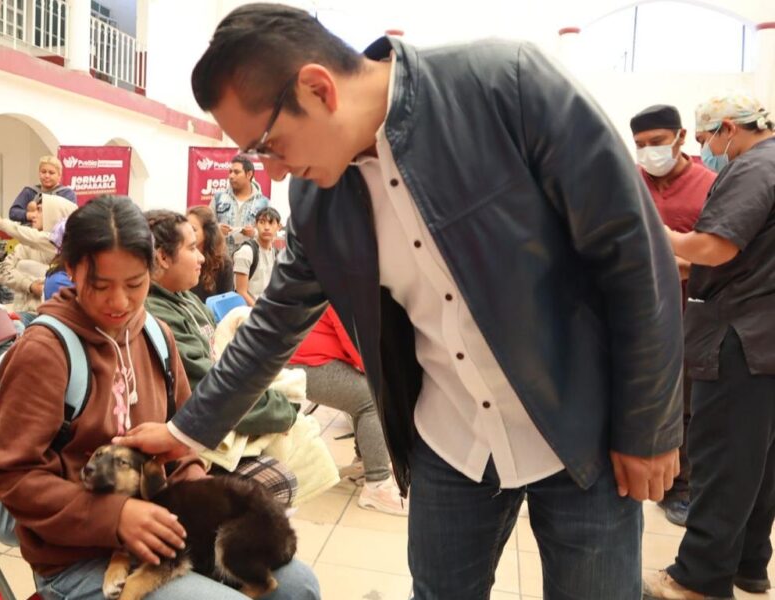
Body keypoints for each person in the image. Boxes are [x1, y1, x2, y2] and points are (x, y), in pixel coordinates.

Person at [113, 6, 684, 599]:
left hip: (581, 427)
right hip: (452, 439)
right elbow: (274, 323)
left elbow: (635, 256)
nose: (275, 172)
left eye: (270, 145)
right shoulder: (316, 199)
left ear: (318, 88)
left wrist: (649, 426)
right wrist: (186, 431)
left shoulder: (504, 87)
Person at [0, 196, 319, 600]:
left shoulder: (157, 336)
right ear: (70, 269)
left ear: (153, 268)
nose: (119, 302)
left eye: (134, 284)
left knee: (298, 587)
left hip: (167, 531)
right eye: (100, 285)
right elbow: (14, 477)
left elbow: (182, 449)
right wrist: (116, 515)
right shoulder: (46, 351)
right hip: (77, 555)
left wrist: (204, 503)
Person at [642, 95, 775, 600]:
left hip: (738, 337)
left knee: (723, 460)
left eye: (706, 139)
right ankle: (749, 563)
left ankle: (698, 578)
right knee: (758, 461)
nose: (709, 150)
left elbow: (716, 247)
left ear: (728, 128)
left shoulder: (754, 166)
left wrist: (656, 234)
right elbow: (742, 257)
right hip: (764, 336)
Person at [144, 209, 298, 504]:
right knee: (280, 481)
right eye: (192, 248)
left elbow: (220, 359)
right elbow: (207, 387)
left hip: (212, 419)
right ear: (162, 257)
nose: (201, 258)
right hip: (188, 436)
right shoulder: (158, 314)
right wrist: (283, 409)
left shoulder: (187, 298)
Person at [630, 104, 716, 527]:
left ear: (681, 137)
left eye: (657, 142)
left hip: (690, 312)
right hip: (634, 311)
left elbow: (722, 252)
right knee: (635, 393)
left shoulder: (710, 185)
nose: (649, 152)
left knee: (684, 402)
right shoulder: (630, 181)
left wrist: (677, 266)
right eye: (641, 145)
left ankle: (680, 488)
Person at [289, 306, 406, 516]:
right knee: (372, 399)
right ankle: (377, 485)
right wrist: (377, 374)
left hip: (304, 357)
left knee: (365, 393)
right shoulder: (344, 289)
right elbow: (352, 337)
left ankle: (366, 463)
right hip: (305, 362)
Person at [0, 194, 77, 320]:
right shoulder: (25, 246)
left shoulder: (66, 247)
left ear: (54, 213)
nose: (33, 215)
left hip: (53, 317)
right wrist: (30, 284)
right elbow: (1, 270)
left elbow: (37, 238)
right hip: (25, 312)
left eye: (39, 210)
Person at [209, 154, 269, 252]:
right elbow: (206, 226)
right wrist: (217, 229)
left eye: (236, 172)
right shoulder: (218, 198)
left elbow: (271, 233)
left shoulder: (263, 202)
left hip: (250, 259)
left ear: (249, 174)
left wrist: (254, 233)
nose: (231, 176)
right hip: (222, 258)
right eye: (230, 172)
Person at [232, 207, 282, 306]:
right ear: (255, 224)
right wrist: (261, 312)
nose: (266, 227)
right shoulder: (246, 252)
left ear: (279, 227)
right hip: (248, 310)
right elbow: (241, 292)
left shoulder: (276, 254)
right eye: (262, 222)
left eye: (271, 223)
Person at [8, 155, 77, 224]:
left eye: (51, 173)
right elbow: (13, 212)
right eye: (43, 172)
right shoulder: (29, 191)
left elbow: (71, 217)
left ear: (59, 176)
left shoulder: (67, 194)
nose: (47, 176)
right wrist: (29, 215)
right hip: (29, 229)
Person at [186, 205, 234, 302]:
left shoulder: (223, 263)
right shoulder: (182, 257)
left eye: (193, 229)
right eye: (186, 229)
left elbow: (226, 302)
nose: (187, 233)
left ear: (207, 232)